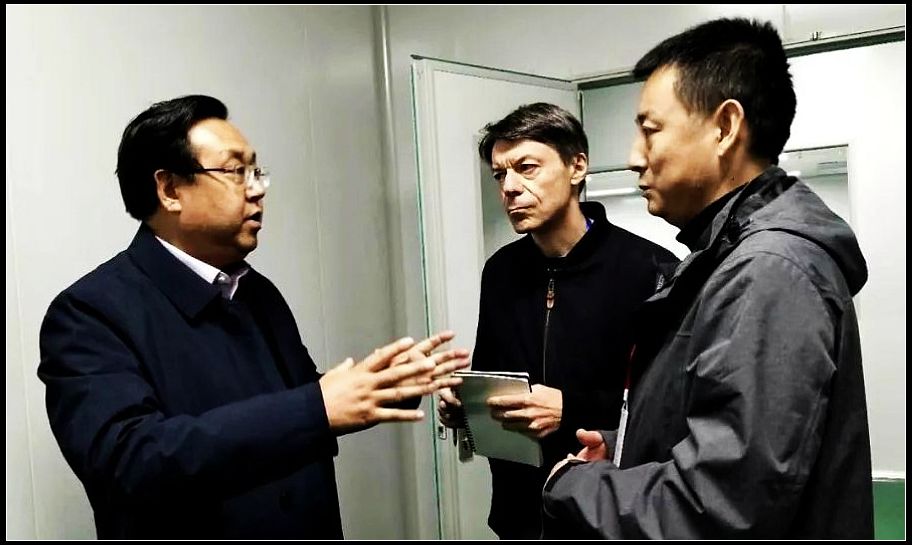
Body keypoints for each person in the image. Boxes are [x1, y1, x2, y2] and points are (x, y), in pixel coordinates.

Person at [37, 95, 468, 539]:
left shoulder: (257, 292)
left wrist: (386, 384)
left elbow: (298, 398)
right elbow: (129, 461)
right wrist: (316, 408)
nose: (257, 189)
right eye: (235, 171)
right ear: (169, 190)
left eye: (257, 172)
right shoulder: (89, 313)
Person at [541, 18, 873, 539]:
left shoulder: (768, 272)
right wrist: (626, 447)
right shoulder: (730, 258)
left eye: (650, 130)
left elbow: (723, 507)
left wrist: (576, 486)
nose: (633, 157)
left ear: (725, 127)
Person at [436, 102, 679, 538]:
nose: (510, 187)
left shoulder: (650, 269)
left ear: (577, 167)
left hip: (607, 512)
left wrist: (571, 410)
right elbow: (493, 377)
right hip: (518, 516)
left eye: (526, 168)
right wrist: (465, 406)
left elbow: (669, 408)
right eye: (500, 174)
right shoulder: (500, 272)